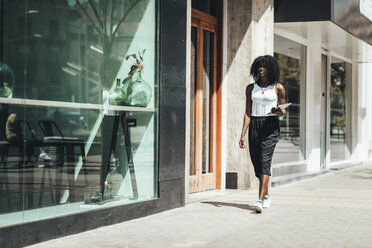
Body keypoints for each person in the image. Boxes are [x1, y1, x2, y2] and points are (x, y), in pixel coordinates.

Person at [239, 55, 286, 213]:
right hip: (255, 125)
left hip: (270, 125)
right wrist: (243, 134)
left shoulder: (278, 87)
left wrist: (278, 110)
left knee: (265, 161)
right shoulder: (251, 88)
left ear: (270, 69)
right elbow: (247, 112)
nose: (261, 68)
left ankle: (259, 200)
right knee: (257, 162)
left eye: (264, 66)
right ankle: (266, 195)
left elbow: (283, 111)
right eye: (259, 66)